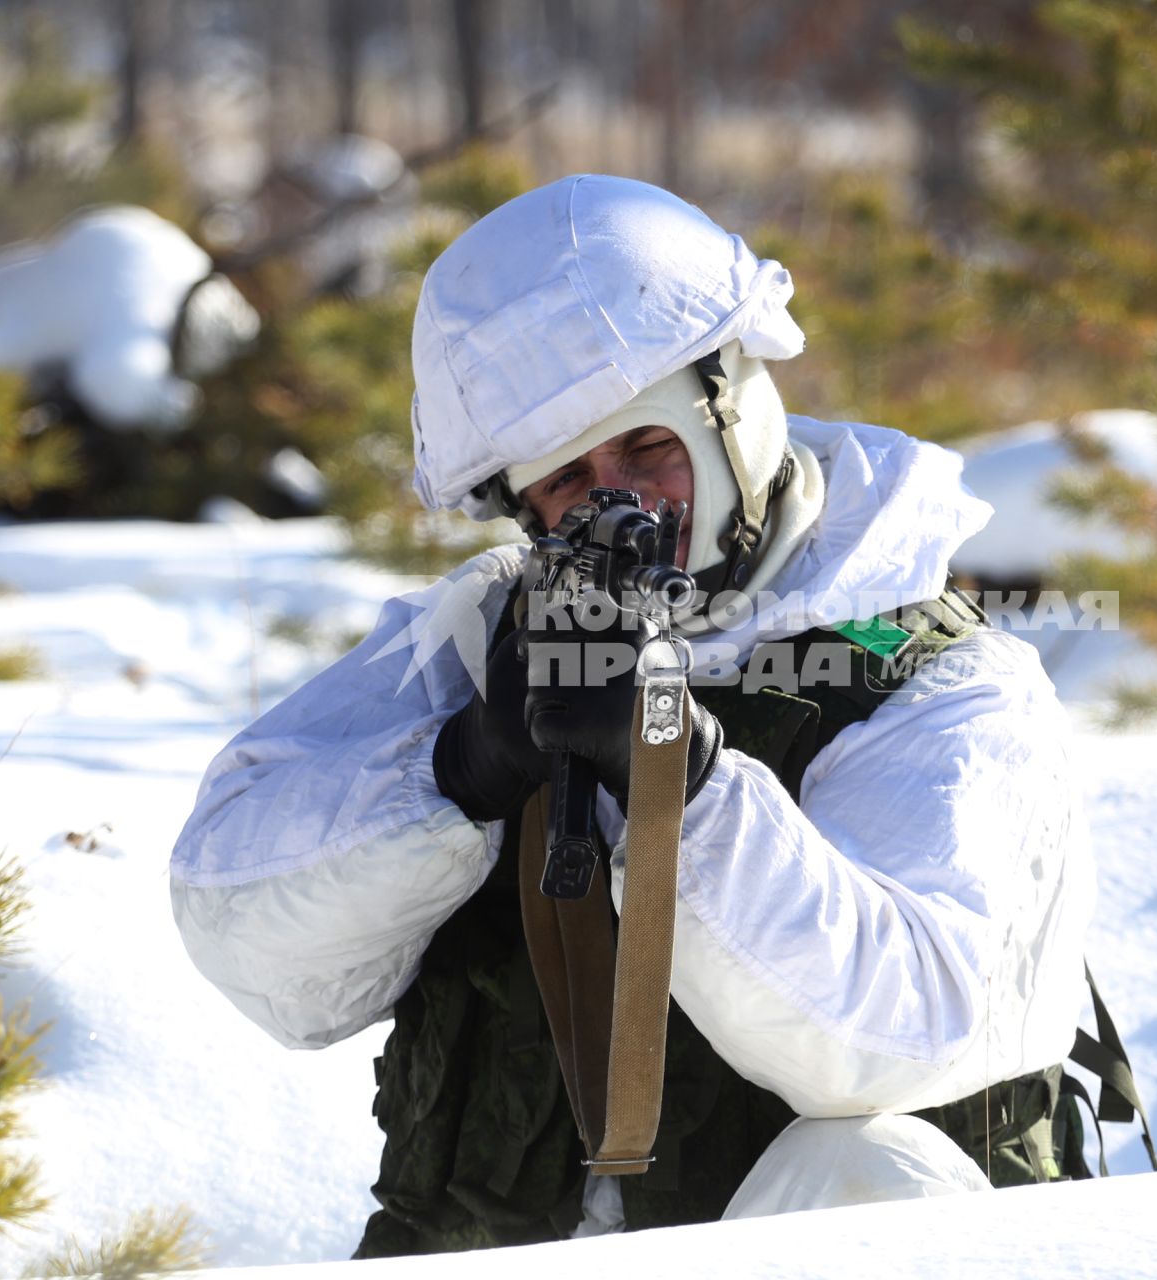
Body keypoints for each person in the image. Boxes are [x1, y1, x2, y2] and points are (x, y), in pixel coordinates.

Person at [168, 174, 1097, 1256]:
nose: (622, 503)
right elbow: (248, 943)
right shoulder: (491, 639)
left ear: (734, 412)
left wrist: (681, 785)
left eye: (648, 451)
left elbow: (892, 1032)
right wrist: (459, 772)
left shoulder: (941, 682)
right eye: (569, 480)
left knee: (868, 1173)